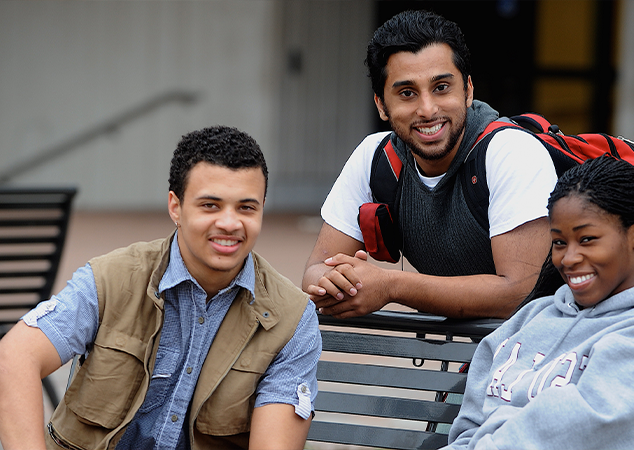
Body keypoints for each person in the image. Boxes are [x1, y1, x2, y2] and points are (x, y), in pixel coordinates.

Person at [0, 126, 322, 450]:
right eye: (210, 205)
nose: (230, 223)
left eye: (246, 207)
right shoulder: (112, 279)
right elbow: (14, 357)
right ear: (175, 207)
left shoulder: (291, 321)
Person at [303, 10, 558, 319]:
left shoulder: (510, 152)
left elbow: (520, 293)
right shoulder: (376, 157)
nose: (427, 109)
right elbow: (315, 271)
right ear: (381, 105)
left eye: (441, 87)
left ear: (468, 90)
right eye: (407, 93)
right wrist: (334, 281)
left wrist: (392, 286)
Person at [443, 156, 634, 450]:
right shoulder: (532, 317)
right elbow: (467, 429)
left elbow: (580, 428)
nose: (569, 258)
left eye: (587, 239)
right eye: (560, 242)